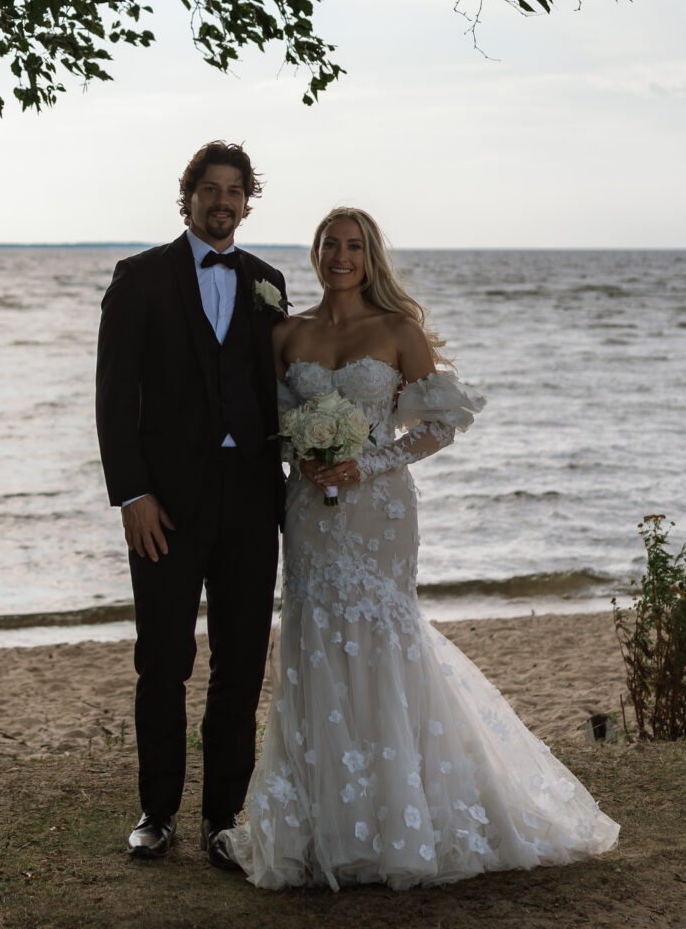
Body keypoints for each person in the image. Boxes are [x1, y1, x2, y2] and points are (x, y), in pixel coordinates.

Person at [220, 207, 619, 890]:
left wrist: (369, 463)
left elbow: (441, 425)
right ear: (314, 253)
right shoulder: (286, 333)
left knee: (384, 634)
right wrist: (301, 453)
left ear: (370, 257)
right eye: (330, 244)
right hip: (310, 510)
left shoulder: (398, 330)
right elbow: (269, 420)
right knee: (315, 638)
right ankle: (326, 824)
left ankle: (402, 816)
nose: (340, 256)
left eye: (354, 246)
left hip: (379, 510)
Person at [95, 141, 287, 865]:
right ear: (190, 196)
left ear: (246, 201)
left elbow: (280, 390)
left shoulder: (268, 283)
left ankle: (222, 818)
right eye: (211, 188)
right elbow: (115, 397)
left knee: (241, 663)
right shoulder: (140, 278)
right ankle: (157, 811)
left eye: (235, 190)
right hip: (165, 507)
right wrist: (132, 493)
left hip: (252, 502)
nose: (222, 201)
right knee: (163, 660)